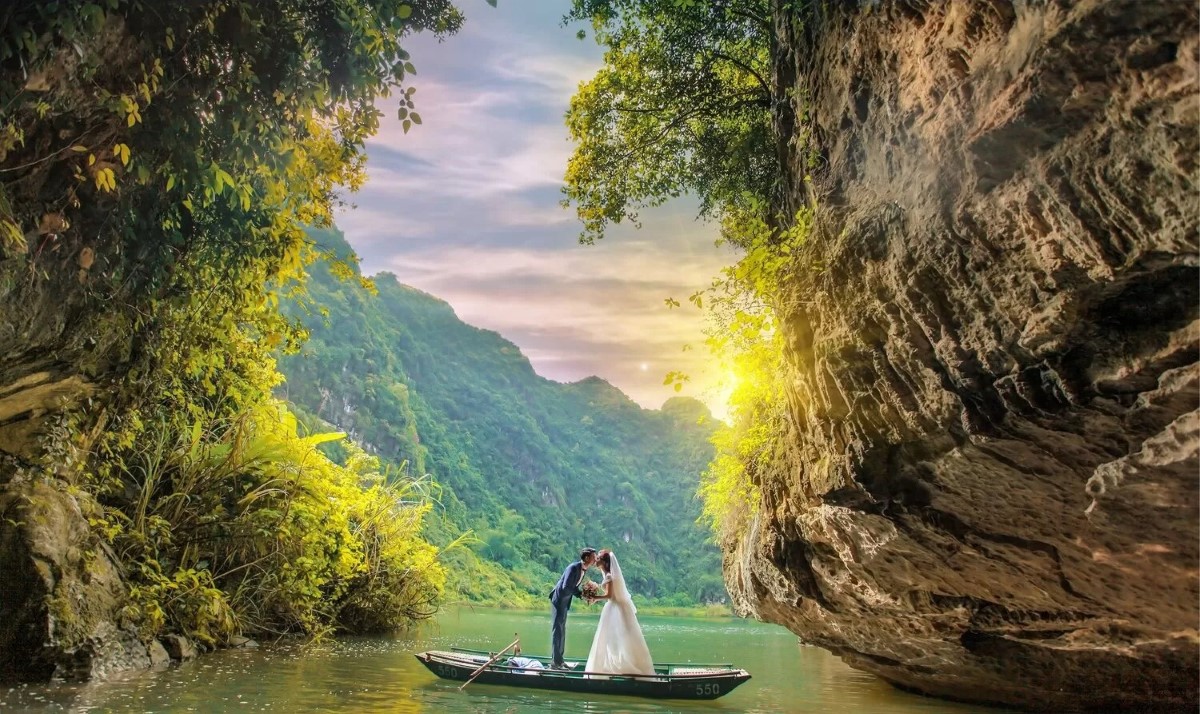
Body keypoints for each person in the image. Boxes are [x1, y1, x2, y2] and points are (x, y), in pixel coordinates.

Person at [584, 549, 655, 676]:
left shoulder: (610, 576)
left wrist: (595, 598)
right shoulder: (606, 574)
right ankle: (611, 664)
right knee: (612, 639)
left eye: (599, 558)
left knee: (614, 638)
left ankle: (617, 665)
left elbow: (610, 595)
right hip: (613, 608)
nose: (596, 560)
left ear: (605, 562)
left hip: (614, 609)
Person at [548, 547, 597, 669]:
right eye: (593, 557)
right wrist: (581, 594)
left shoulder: (583, 570)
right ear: (586, 558)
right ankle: (555, 663)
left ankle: (560, 660)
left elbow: (572, 587)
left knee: (562, 630)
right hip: (559, 600)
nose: (595, 559)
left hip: (565, 602)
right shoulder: (573, 568)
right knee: (557, 631)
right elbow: (565, 587)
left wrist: (582, 595)